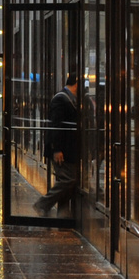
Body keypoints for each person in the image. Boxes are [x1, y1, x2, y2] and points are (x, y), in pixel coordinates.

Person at [35, 73, 82, 216]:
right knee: (68, 179)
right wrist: (57, 149)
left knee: (68, 181)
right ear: (76, 83)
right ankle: (42, 204)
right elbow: (56, 126)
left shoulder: (70, 98)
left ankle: (63, 215)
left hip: (69, 149)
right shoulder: (61, 99)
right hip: (62, 149)